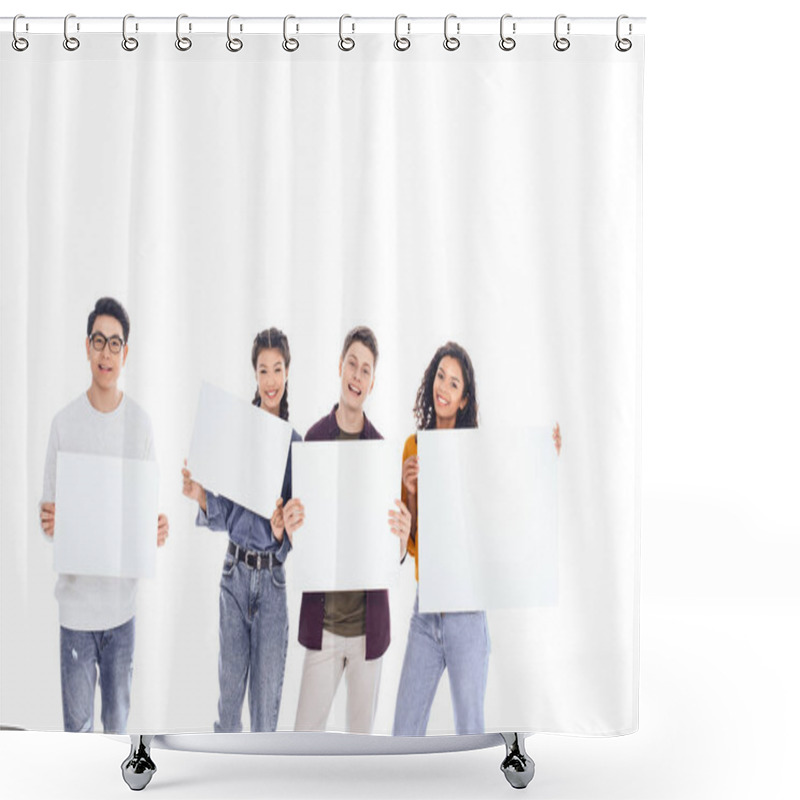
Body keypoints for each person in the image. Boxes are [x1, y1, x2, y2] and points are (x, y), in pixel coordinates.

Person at [392, 342, 562, 735]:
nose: (444, 388)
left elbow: (505, 508)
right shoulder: (413, 447)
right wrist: (412, 491)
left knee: (469, 728)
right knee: (403, 731)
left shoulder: (476, 452)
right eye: (440, 377)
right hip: (425, 608)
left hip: (468, 612)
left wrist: (544, 459)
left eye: (454, 383)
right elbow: (413, 543)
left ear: (464, 398)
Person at [40, 297, 169, 734]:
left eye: (115, 344)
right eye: (99, 341)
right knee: (76, 732)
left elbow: (146, 514)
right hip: (75, 613)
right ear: (87, 347)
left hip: (121, 612)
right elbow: (49, 515)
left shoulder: (140, 424)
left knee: (116, 732)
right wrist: (49, 523)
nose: (106, 353)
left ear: (126, 353)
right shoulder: (64, 423)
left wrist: (158, 528)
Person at [182, 328, 304, 732]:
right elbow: (226, 514)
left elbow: (300, 530)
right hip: (234, 575)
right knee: (229, 710)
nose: (270, 380)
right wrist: (201, 495)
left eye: (278, 369)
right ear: (255, 374)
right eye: (263, 370)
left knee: (265, 718)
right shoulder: (238, 431)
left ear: (288, 373)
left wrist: (282, 529)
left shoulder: (295, 445)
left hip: (272, 583)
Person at [294, 325, 411, 734]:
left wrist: (402, 533)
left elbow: (392, 555)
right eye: (352, 365)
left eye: (366, 371)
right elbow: (303, 541)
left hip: (368, 630)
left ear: (373, 382)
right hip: (324, 626)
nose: (357, 376)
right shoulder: (313, 440)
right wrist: (293, 528)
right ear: (339, 367)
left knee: (361, 747)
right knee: (305, 739)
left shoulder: (381, 450)